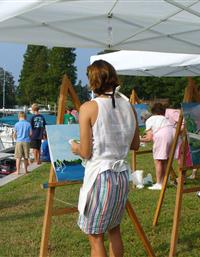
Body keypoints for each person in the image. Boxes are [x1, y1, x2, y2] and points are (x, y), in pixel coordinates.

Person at [70, 60, 140, 257]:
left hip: (101, 176)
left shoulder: (89, 107)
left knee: (96, 235)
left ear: (93, 81)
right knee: (114, 229)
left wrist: (75, 147)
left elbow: (85, 152)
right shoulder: (129, 107)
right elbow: (135, 145)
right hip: (122, 176)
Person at [140, 103, 174, 190]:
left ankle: (159, 183)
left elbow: (149, 138)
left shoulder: (150, 120)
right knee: (165, 160)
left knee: (158, 161)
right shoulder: (163, 118)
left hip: (162, 136)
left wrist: (138, 139)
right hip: (171, 135)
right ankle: (165, 181)